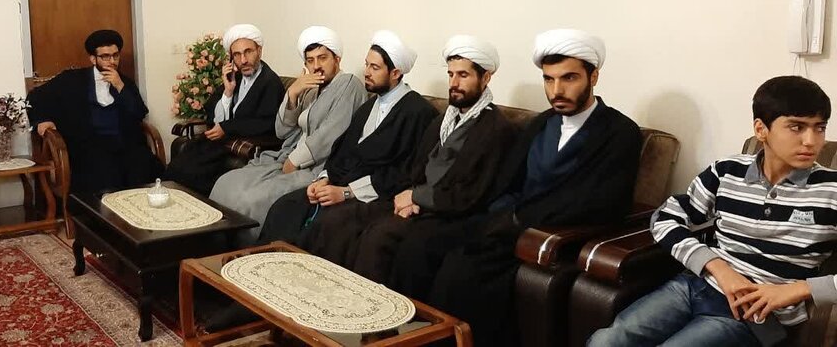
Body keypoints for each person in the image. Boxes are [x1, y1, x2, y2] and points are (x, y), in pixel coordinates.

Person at [404, 29, 642, 346]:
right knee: (419, 245)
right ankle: (408, 336)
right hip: (507, 221)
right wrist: (496, 215)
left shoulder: (620, 132)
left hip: (550, 237)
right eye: (549, 79)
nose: (557, 90)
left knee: (461, 271)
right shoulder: (541, 124)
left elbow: (604, 202)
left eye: (569, 78)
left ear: (593, 76)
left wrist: (519, 219)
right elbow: (508, 182)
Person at [589, 76, 836, 347]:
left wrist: (799, 290)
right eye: (796, 127)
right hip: (696, 284)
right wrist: (716, 266)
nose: (811, 141)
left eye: (819, 128)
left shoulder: (831, 190)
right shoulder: (728, 171)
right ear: (761, 129)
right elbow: (666, 216)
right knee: (606, 340)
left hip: (754, 313)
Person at [312, 34, 518, 281]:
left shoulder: (496, 129)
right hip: (414, 200)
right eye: (451, 74)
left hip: (447, 213)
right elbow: (414, 169)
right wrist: (409, 195)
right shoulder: (443, 120)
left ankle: (373, 304)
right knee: (339, 219)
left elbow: (470, 193)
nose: (454, 83)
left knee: (379, 237)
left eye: (463, 75)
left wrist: (416, 197)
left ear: (485, 78)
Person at [258, 30, 438, 246]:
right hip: (340, 185)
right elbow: (341, 151)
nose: (367, 72)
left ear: (395, 73)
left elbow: (405, 172)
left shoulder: (418, 112)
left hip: (375, 196)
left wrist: (347, 192)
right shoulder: (368, 107)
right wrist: (323, 179)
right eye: (367, 65)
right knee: (285, 206)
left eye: (375, 67)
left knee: (329, 223)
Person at [209, 25, 368, 244]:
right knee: (226, 183)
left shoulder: (349, 85)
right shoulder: (310, 87)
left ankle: (246, 251)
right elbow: (282, 131)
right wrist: (292, 93)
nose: (316, 66)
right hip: (286, 157)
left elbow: (328, 135)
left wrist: (294, 161)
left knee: (251, 199)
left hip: (317, 167)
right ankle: (215, 245)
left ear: (337, 59)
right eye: (310, 60)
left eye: (322, 58)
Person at [27, 30, 161, 196]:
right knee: (102, 167)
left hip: (124, 144)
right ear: (93, 59)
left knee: (142, 162)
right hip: (88, 145)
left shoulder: (125, 82)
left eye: (115, 56)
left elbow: (139, 113)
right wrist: (42, 120)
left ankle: (138, 208)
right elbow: (35, 97)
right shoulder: (72, 79)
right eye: (105, 57)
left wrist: (120, 86)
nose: (112, 61)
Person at [163, 24, 285, 195]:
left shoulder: (270, 82)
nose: (243, 60)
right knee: (176, 166)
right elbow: (212, 114)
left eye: (248, 52)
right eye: (237, 54)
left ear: (259, 51)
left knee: (188, 173)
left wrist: (227, 128)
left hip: (238, 143)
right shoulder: (236, 77)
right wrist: (228, 91)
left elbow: (268, 122)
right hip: (220, 140)